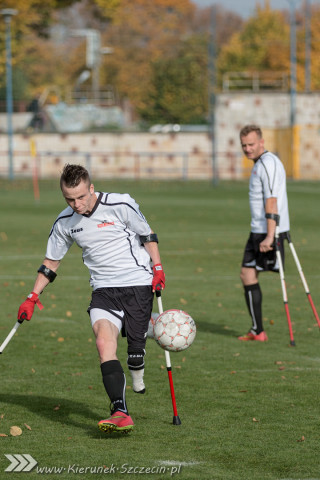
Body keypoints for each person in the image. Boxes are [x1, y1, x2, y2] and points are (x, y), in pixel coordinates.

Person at [17, 164, 165, 434]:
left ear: (91, 188)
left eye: (81, 197)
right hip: (103, 289)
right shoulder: (65, 223)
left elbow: (147, 234)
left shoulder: (120, 204)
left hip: (136, 282)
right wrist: (32, 296)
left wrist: (157, 268)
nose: (76, 204)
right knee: (103, 341)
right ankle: (120, 410)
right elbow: (51, 262)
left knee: (135, 355)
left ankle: (150, 327)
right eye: (69, 199)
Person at [238, 125, 290, 342]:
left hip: (267, 231)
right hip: (257, 229)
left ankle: (258, 330)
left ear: (261, 142)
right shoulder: (259, 164)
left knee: (250, 274)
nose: (248, 149)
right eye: (244, 145)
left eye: (251, 144)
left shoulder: (268, 163)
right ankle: (258, 330)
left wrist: (270, 235)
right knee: (247, 274)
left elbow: (272, 201)